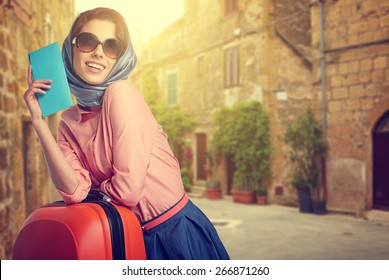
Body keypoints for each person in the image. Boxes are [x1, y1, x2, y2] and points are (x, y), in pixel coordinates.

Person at [23, 7, 229, 260]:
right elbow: (74, 192)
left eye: (111, 47)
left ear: (119, 58)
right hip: (129, 239)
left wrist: (97, 189)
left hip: (174, 234)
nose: (99, 52)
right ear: (71, 49)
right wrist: (38, 121)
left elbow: (128, 191)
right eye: (88, 42)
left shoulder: (121, 94)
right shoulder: (67, 122)